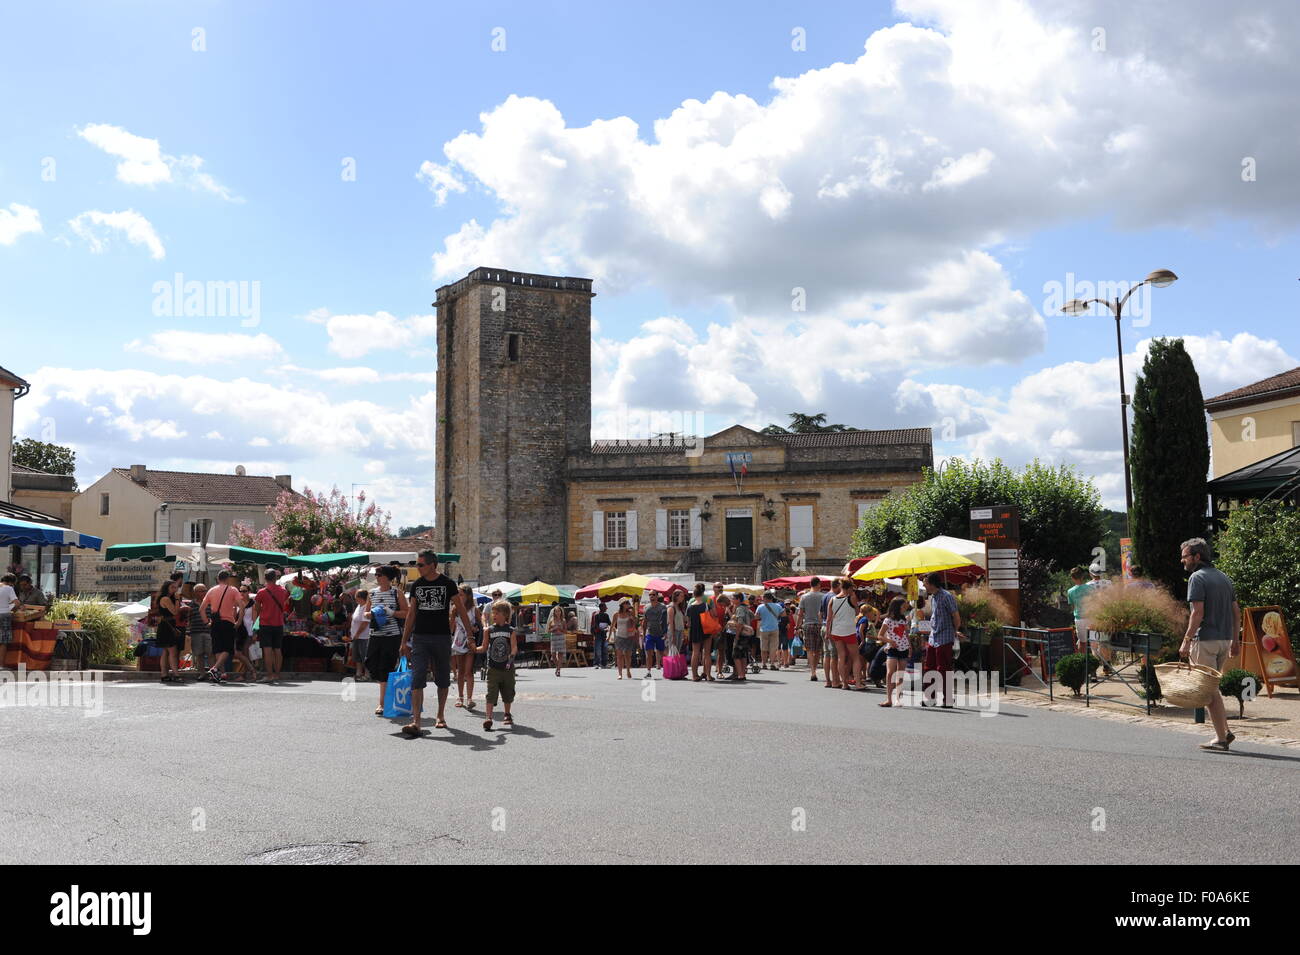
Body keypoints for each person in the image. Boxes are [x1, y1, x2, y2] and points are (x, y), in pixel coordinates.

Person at [400, 551, 474, 737]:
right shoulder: (417, 585)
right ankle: (416, 721)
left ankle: (440, 715)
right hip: (420, 638)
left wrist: (470, 635)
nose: (418, 568)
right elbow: (411, 615)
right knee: (417, 678)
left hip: (441, 637)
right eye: (417, 564)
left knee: (442, 677)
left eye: (421, 565)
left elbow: (461, 610)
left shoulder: (448, 583)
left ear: (432, 565)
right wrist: (404, 641)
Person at [1179, 538, 1242, 752]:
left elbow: (1197, 613)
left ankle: (1221, 738)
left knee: (1208, 690)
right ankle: (1224, 731)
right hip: (1224, 640)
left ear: (1197, 557)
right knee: (1212, 688)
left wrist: (1186, 640)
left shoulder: (1196, 578)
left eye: (1185, 556)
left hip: (1204, 640)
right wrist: (1235, 641)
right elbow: (1237, 613)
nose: (1182, 560)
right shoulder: (1224, 577)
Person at [365, 565, 409, 717]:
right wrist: (372, 614)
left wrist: (391, 612)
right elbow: (366, 612)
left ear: (388, 577)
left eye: (379, 574)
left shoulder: (397, 593)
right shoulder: (372, 593)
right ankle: (385, 697)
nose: (376, 577)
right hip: (375, 634)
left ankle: (382, 703)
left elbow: (406, 613)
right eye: (376, 574)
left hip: (392, 635)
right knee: (371, 663)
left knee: (385, 667)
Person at [922, 573, 962, 707]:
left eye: (925, 583)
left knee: (944, 669)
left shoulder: (946, 596)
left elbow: (956, 617)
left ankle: (948, 699)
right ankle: (930, 697)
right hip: (934, 636)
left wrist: (954, 631)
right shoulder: (933, 598)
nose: (923, 585)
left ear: (932, 584)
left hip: (945, 636)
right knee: (929, 667)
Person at [479, 599, 518, 731]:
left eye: (497, 613)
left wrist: (511, 656)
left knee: (508, 691)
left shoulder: (511, 630)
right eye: (493, 613)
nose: (493, 615)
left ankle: (507, 714)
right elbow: (484, 647)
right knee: (491, 692)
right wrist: (474, 648)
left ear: (505, 615)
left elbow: (514, 647)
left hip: (507, 668)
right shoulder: (489, 630)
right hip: (493, 667)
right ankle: (488, 718)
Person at [200, 570, 245, 685]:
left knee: (218, 648)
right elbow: (242, 606)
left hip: (215, 622)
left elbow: (201, 609)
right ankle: (215, 669)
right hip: (228, 622)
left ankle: (219, 673)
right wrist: (239, 621)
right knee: (228, 648)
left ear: (218, 579)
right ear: (228, 579)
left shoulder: (211, 590)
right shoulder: (233, 590)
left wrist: (206, 622)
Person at [253, 569, 290, 683]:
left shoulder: (261, 592)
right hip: (278, 623)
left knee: (267, 650)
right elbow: (285, 605)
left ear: (265, 578)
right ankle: (277, 675)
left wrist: (261, 614)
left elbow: (257, 608)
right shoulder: (283, 591)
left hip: (265, 623)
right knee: (277, 650)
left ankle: (269, 675)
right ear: (275, 578)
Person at [825, 578, 861, 690]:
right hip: (849, 630)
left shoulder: (832, 599)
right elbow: (857, 612)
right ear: (850, 588)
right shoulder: (852, 597)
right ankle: (858, 683)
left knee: (841, 657)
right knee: (855, 657)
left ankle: (844, 684)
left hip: (836, 631)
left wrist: (827, 632)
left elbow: (828, 618)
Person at [876, 597, 912, 707]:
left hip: (904, 647)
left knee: (900, 674)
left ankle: (897, 699)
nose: (905, 607)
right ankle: (888, 699)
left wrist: (910, 646)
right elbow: (880, 635)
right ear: (898, 606)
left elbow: (905, 634)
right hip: (892, 648)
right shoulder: (888, 620)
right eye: (903, 605)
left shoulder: (903, 619)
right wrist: (890, 641)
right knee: (890, 673)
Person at [451, 584, 478, 707]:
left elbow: (482, 624)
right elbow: (451, 628)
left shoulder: (474, 609)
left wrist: (475, 628)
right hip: (458, 641)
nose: (459, 597)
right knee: (460, 671)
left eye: (461, 594)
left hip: (470, 642)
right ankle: (460, 697)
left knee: (468, 671)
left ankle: (469, 698)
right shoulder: (454, 609)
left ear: (468, 595)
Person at [796, 579, 825, 681]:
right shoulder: (823, 596)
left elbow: (800, 614)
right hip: (820, 625)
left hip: (808, 624)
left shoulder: (804, 597)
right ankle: (815, 669)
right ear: (818, 584)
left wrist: (797, 626)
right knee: (817, 650)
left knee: (809, 649)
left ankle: (812, 671)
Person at [687, 583, 715, 682]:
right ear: (703, 592)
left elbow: (688, 621)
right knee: (707, 653)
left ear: (694, 594)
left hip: (695, 629)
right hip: (706, 628)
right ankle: (708, 675)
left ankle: (694, 675)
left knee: (695, 653)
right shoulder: (708, 601)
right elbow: (714, 614)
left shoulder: (690, 603)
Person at [727, 594, 755, 681]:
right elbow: (753, 616)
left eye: (733, 598)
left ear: (738, 599)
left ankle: (740, 674)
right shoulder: (746, 607)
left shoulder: (740, 609)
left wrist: (737, 636)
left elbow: (740, 623)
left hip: (741, 634)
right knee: (743, 655)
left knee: (736, 655)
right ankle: (742, 674)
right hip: (746, 634)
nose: (732, 600)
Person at [642, 590, 668, 678]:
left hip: (660, 633)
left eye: (653, 595)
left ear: (657, 596)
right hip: (650, 633)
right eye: (650, 595)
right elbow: (645, 621)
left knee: (662, 653)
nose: (651, 596)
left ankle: (667, 670)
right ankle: (648, 671)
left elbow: (665, 621)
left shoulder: (663, 607)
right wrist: (643, 634)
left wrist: (666, 633)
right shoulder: (646, 607)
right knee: (649, 653)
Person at [612, 600, 639, 680]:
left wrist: (633, 610)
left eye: (628, 603)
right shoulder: (616, 614)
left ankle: (628, 670)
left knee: (627, 656)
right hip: (619, 636)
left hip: (629, 636)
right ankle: (620, 674)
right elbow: (612, 624)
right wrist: (609, 636)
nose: (627, 604)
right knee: (619, 656)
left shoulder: (630, 613)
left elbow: (636, 621)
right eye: (626, 603)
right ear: (622, 604)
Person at [756, 591, 782, 671]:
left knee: (764, 647)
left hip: (764, 629)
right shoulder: (778, 606)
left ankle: (764, 664)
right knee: (773, 648)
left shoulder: (760, 607)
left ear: (765, 598)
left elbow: (756, 617)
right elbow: (784, 614)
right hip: (775, 628)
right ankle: (772, 663)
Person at [350, 589, 372, 682]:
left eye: (356, 596)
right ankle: (358, 674)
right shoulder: (359, 606)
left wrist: (357, 634)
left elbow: (365, 623)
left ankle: (367, 675)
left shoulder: (366, 607)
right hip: (356, 636)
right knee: (357, 656)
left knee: (365, 656)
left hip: (364, 636)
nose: (355, 598)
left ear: (360, 598)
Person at [666, 589, 687, 659]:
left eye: (683, 596)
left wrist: (683, 632)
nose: (683, 598)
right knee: (672, 651)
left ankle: (675, 668)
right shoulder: (671, 607)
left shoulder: (679, 607)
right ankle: (671, 668)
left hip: (679, 631)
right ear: (676, 596)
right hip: (674, 631)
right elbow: (671, 623)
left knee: (677, 651)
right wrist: (673, 635)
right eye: (681, 596)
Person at [547, 602, 568, 677]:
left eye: (559, 611)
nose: (557, 613)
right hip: (554, 638)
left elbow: (566, 631)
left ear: (561, 612)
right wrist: (553, 629)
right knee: (553, 654)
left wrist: (560, 629)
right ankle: (557, 667)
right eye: (556, 611)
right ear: (554, 612)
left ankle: (558, 670)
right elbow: (548, 631)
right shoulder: (551, 620)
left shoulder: (563, 620)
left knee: (560, 654)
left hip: (561, 637)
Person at [0, 574, 17, 659]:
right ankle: (1, 665)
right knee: (3, 641)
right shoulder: (9, 588)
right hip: (4, 615)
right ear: (10, 582)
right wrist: (19, 607)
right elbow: (16, 603)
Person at [591, 601, 611, 669]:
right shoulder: (597, 615)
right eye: (605, 607)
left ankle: (604, 664)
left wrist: (608, 628)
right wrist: (602, 629)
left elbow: (609, 623)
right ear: (601, 607)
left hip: (604, 634)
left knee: (604, 649)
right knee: (598, 649)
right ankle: (596, 663)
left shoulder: (606, 615)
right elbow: (596, 625)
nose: (606, 608)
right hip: (598, 634)